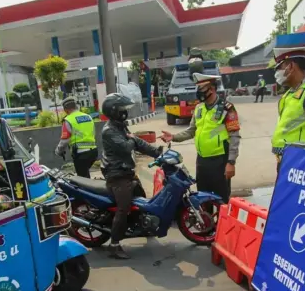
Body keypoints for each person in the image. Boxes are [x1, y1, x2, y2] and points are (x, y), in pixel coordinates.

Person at [160, 71, 241, 203]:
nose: (199, 91)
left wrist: (231, 162)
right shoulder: (199, 108)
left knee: (222, 200)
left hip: (220, 161)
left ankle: (221, 223)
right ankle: (208, 223)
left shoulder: (227, 109)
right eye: (198, 88)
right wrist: (173, 137)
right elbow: (191, 131)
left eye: (202, 88)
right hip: (202, 161)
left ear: (212, 88)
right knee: (203, 199)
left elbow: (234, 137)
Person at [101, 93, 163, 259]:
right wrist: (133, 140)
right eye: (122, 109)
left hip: (126, 172)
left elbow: (137, 143)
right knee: (124, 208)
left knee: (142, 199)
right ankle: (114, 245)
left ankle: (143, 226)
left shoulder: (120, 126)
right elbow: (127, 147)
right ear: (113, 110)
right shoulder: (109, 131)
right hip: (116, 175)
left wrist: (157, 153)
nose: (125, 112)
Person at [55, 96, 98, 178]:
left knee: (83, 180)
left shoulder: (68, 120)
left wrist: (58, 151)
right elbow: (93, 132)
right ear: (76, 106)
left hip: (80, 154)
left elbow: (64, 140)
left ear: (65, 109)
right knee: (85, 175)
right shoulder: (88, 117)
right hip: (93, 152)